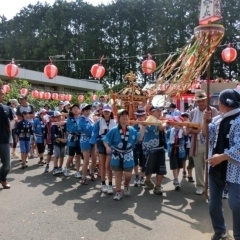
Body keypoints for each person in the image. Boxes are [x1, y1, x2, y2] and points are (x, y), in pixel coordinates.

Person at [202, 89, 240, 240]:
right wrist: (205, 121)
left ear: (226, 103)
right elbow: (207, 135)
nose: (217, 103)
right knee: (213, 204)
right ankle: (220, 230)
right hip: (216, 167)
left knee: (236, 204)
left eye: (219, 101)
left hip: (235, 169)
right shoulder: (218, 119)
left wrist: (223, 157)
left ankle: (238, 235)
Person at [103, 109, 140, 200]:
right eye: (122, 116)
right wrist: (107, 147)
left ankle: (126, 184)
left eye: (126, 116)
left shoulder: (132, 129)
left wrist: (143, 128)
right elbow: (105, 139)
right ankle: (118, 192)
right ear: (118, 118)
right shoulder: (114, 130)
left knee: (128, 175)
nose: (125, 118)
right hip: (116, 153)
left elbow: (139, 138)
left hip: (128, 154)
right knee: (118, 174)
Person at [188, 90, 218, 195]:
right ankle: (200, 186)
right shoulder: (192, 112)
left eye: (203, 101)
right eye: (199, 101)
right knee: (198, 166)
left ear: (206, 100)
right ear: (196, 102)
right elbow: (188, 129)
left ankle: (209, 185)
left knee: (210, 166)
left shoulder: (213, 111)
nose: (201, 103)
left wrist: (203, 128)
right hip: (196, 142)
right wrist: (194, 130)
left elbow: (216, 126)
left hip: (209, 142)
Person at [90, 104, 117, 194]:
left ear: (111, 112)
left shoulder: (114, 121)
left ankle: (110, 184)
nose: (106, 112)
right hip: (101, 143)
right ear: (102, 111)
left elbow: (116, 134)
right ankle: (103, 184)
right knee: (102, 165)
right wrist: (96, 147)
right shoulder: (98, 121)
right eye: (105, 111)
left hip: (111, 144)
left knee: (108, 166)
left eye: (108, 111)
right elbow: (95, 134)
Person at [142, 106, 167, 195]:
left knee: (161, 168)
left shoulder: (158, 121)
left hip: (160, 147)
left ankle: (158, 186)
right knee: (149, 167)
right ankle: (147, 181)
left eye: (160, 111)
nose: (160, 112)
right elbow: (160, 128)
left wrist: (163, 123)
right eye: (157, 111)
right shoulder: (150, 120)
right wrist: (165, 123)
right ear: (152, 112)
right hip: (151, 148)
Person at [78, 103, 96, 184]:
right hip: (85, 140)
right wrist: (95, 126)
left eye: (89, 110)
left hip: (92, 139)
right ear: (82, 111)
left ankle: (91, 172)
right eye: (86, 110)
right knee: (86, 160)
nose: (88, 112)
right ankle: (83, 177)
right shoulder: (81, 119)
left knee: (95, 159)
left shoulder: (91, 118)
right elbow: (87, 129)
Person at [166, 116, 187, 190]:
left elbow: (186, 135)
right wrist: (169, 143)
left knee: (178, 165)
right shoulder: (170, 130)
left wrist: (182, 128)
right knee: (174, 165)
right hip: (172, 149)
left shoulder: (183, 130)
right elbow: (167, 138)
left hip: (180, 149)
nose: (173, 123)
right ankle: (176, 179)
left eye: (175, 122)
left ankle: (176, 178)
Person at [63, 103, 82, 179]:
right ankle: (67, 168)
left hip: (80, 138)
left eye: (77, 108)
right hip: (72, 139)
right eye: (74, 109)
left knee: (78, 156)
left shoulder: (81, 118)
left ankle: (77, 171)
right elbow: (72, 129)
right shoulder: (69, 119)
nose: (76, 110)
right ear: (71, 110)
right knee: (71, 156)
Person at [0, 87, 14, 189]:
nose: (3, 96)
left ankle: (2, 178)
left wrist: (11, 139)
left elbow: (12, 122)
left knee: (7, 165)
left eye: (3, 94)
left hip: (4, 140)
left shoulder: (7, 108)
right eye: (1, 94)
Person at [132, 108, 146, 186]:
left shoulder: (147, 124)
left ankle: (142, 177)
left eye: (142, 115)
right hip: (136, 144)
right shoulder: (134, 125)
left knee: (143, 161)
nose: (140, 117)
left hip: (144, 145)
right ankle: (136, 176)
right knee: (135, 161)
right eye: (138, 116)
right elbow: (136, 137)